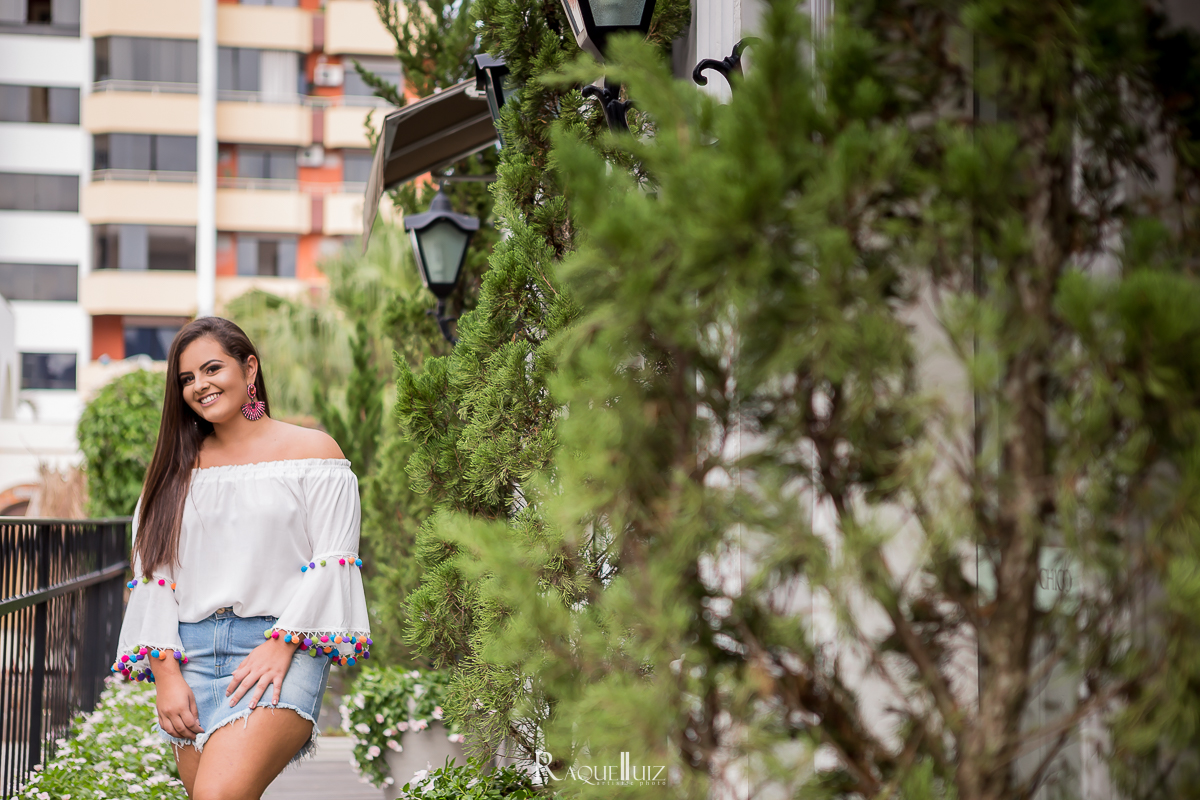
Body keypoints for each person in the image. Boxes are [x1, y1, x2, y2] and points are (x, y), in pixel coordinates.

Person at [111, 316, 373, 800]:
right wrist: (165, 675)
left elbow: (334, 560)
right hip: (189, 656)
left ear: (249, 369)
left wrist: (281, 644)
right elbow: (154, 577)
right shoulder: (173, 471)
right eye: (187, 379)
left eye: (212, 369)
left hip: (278, 647)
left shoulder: (313, 453)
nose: (200, 386)